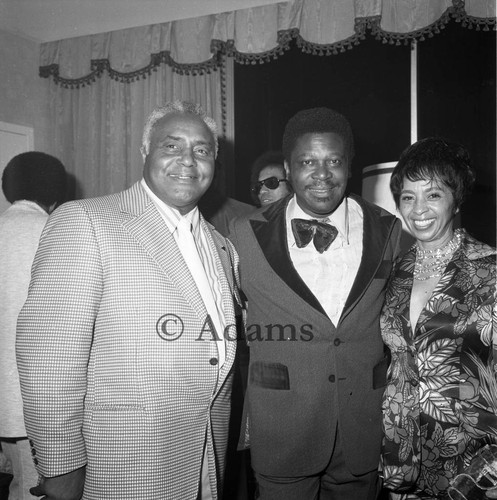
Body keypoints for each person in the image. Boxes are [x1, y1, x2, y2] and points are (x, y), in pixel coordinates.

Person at [16, 101, 241, 500]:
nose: (188, 161)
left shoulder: (223, 247)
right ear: (145, 153)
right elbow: (49, 361)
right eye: (171, 146)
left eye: (202, 150)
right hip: (123, 464)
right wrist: (61, 468)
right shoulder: (85, 221)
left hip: (206, 460)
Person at [229, 107, 402, 499]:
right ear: (288, 169)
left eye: (334, 162)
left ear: (349, 166)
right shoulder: (243, 234)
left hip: (362, 425)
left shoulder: (387, 228)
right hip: (283, 425)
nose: (322, 175)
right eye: (308, 162)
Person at [381, 137, 497, 499]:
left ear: (456, 198)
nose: (419, 209)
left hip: (473, 463)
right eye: (408, 197)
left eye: (433, 194)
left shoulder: (491, 270)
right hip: (401, 455)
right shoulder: (391, 272)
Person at [0, 152, 67, 500]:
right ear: (55, 193)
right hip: (36, 401)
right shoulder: (54, 232)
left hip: (4, 401)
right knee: (36, 492)